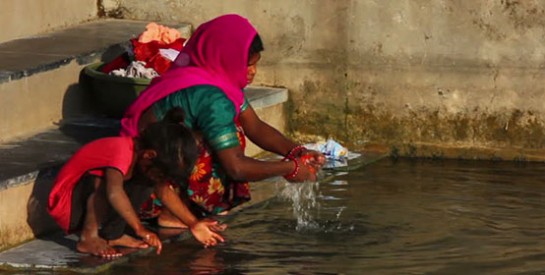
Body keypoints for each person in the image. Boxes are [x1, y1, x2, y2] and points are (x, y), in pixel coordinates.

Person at [120, 14, 326, 227]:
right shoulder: (210, 96)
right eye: (247, 65)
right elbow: (236, 166)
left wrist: (297, 151)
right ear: (226, 59)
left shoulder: (211, 77)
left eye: (255, 65)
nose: (252, 72)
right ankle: (173, 212)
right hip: (146, 181)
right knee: (227, 138)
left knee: (229, 129)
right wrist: (289, 168)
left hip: (153, 166)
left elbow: (254, 126)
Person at [48, 109, 225, 259]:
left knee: (149, 181)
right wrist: (140, 229)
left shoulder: (142, 161)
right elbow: (114, 193)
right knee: (103, 181)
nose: (161, 178)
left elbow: (164, 191)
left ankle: (113, 235)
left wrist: (193, 223)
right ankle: (88, 238)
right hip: (69, 206)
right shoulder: (121, 150)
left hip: (87, 204)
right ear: (149, 155)